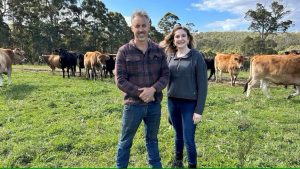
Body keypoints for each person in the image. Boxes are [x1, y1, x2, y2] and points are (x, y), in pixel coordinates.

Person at [115, 10, 169, 168]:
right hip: (132, 106)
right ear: (132, 28)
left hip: (154, 105)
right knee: (125, 141)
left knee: (152, 140)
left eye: (143, 25)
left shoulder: (159, 50)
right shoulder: (124, 51)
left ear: (149, 26)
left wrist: (153, 90)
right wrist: (141, 93)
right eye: (137, 26)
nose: (141, 29)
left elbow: (165, 75)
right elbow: (120, 80)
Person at [161, 25, 208, 168]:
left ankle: (192, 164)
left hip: (190, 104)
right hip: (172, 102)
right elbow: (163, 78)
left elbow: (203, 86)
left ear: (188, 39)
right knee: (178, 134)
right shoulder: (170, 57)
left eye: (183, 36)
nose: (180, 39)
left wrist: (199, 111)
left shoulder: (196, 56)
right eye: (177, 36)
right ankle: (178, 160)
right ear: (173, 40)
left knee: (188, 138)